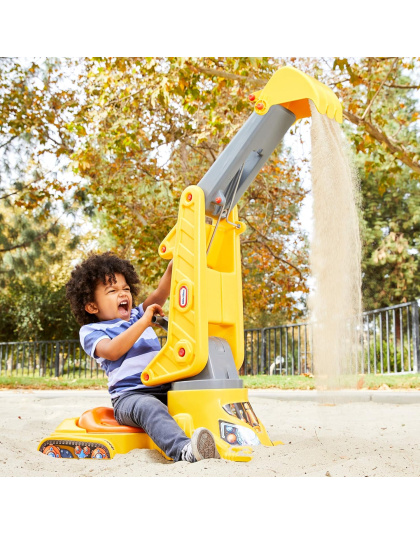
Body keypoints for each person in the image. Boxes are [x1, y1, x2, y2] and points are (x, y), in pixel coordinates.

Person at [65, 251, 219, 462]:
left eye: (126, 289)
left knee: (195, 389)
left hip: (163, 388)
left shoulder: (137, 315)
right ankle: (185, 451)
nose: (123, 294)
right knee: (149, 407)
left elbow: (160, 293)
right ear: (92, 306)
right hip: (130, 398)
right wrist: (143, 322)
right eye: (112, 290)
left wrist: (172, 269)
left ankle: (215, 438)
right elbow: (112, 351)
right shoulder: (92, 331)